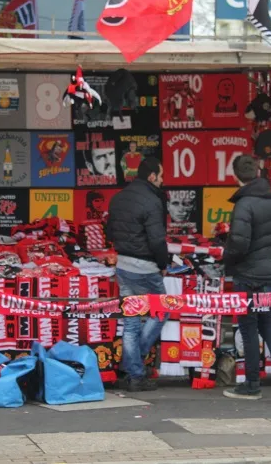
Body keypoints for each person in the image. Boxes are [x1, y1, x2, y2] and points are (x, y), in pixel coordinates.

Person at [222, 155, 271, 404]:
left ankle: (252, 384)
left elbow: (239, 244)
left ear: (236, 176)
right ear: (257, 172)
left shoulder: (244, 204)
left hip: (247, 274)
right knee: (267, 325)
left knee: (249, 327)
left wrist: (227, 259)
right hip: (269, 272)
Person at [106, 157, 169, 392]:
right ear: (151, 176)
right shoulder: (152, 201)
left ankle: (134, 375)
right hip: (146, 268)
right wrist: (163, 264)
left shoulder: (119, 197)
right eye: (160, 176)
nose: (162, 181)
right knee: (162, 310)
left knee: (131, 323)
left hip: (122, 266)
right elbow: (157, 240)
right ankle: (134, 362)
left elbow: (110, 231)